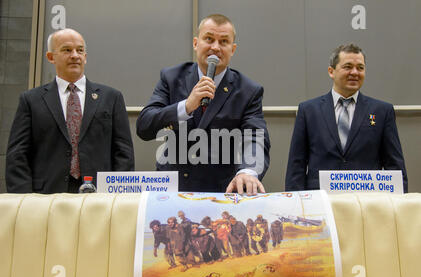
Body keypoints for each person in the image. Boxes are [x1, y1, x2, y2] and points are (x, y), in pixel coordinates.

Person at [136, 14, 270, 195]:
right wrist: (186, 106)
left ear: (233, 49)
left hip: (221, 191)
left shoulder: (248, 90)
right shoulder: (172, 77)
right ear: (195, 43)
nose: (215, 47)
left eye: (223, 41)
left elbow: (255, 137)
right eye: (209, 39)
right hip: (173, 190)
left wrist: (247, 172)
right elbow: (145, 126)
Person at [6, 28, 134, 193]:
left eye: (80, 50)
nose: (75, 55)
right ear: (51, 57)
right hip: (45, 197)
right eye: (67, 50)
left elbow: (123, 152)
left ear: (85, 58)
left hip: (100, 197)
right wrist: (24, 200)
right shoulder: (31, 100)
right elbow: (17, 155)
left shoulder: (111, 98)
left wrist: (118, 194)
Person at [285, 43, 408, 192]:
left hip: (367, 201)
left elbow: (394, 165)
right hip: (321, 202)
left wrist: (399, 202)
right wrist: (297, 204)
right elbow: (296, 165)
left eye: (360, 68)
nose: (355, 72)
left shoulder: (382, 111)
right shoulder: (308, 110)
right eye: (348, 67)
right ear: (331, 71)